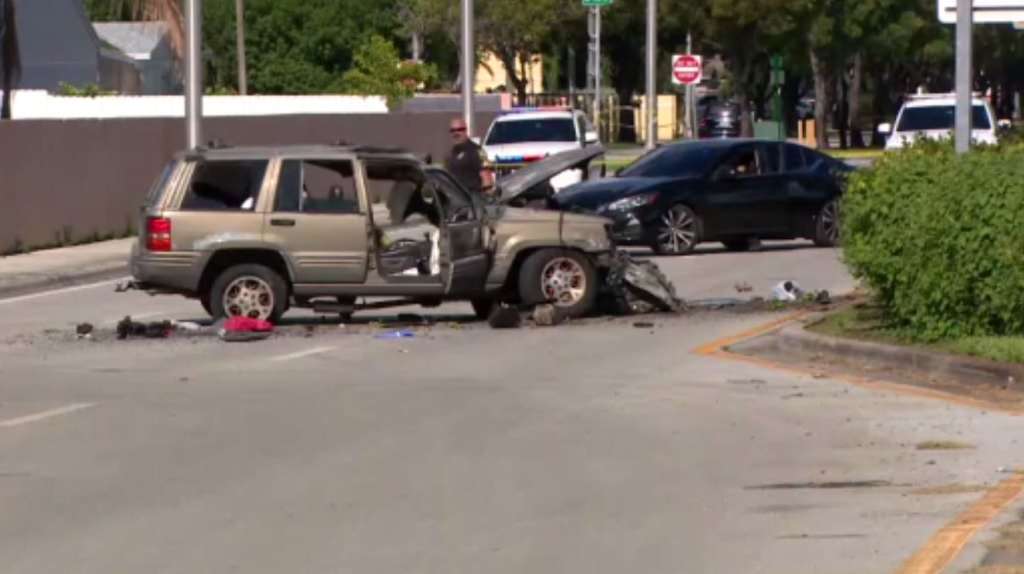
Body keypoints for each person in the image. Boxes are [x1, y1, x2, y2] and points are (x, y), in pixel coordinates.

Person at [445, 118, 493, 196]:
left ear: (465, 130)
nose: (456, 133)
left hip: (473, 199)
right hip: (456, 200)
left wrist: (487, 198)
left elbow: (486, 176)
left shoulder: (478, 150)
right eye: (452, 130)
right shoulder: (450, 154)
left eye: (460, 129)